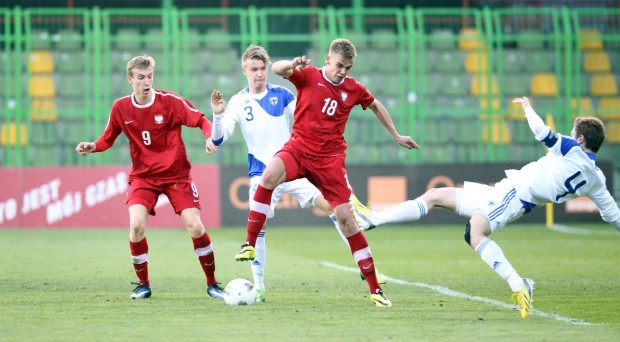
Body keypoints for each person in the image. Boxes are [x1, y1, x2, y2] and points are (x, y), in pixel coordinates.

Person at [354, 96, 620, 317]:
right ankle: (373, 218)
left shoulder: (573, 150)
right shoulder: (597, 180)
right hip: (505, 192)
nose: (571, 136)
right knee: (434, 196)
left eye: (574, 133)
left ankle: (519, 284)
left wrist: (527, 107)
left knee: (474, 233)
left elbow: (542, 133)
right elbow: (612, 215)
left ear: (581, 139)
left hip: (514, 196)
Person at [232, 38, 419, 307]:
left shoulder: (354, 89)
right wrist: (293, 63)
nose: (343, 71)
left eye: (348, 67)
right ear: (328, 59)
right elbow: (278, 70)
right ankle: (249, 243)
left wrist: (396, 134)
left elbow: (376, 105)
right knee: (268, 175)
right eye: (340, 65)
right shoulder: (308, 75)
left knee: (346, 220)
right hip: (298, 149)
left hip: (329, 161)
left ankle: (375, 289)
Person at [75, 55, 225, 300]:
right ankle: (143, 284)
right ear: (130, 79)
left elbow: (200, 120)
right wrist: (92, 146)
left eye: (150, 77)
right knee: (136, 226)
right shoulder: (121, 107)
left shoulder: (170, 101)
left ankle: (212, 284)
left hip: (176, 176)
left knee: (196, 227)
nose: (146, 82)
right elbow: (108, 138)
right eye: (141, 78)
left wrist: (209, 137)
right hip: (143, 178)